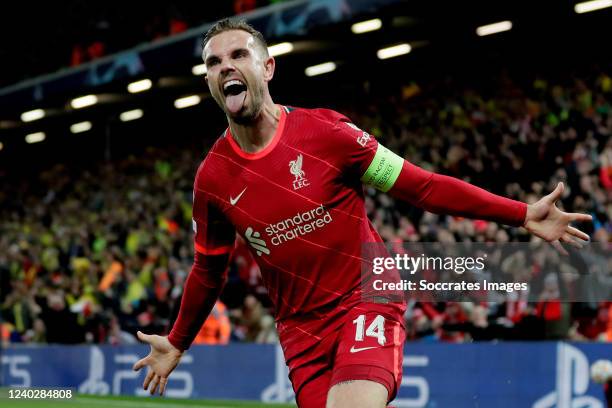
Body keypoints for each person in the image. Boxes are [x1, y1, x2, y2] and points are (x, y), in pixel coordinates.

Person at [132, 18, 592, 407]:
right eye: (214, 63)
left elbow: (423, 187)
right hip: (300, 333)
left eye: (238, 55)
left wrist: (520, 214)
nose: (225, 66)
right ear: (209, 82)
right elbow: (208, 271)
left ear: (267, 67)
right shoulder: (213, 179)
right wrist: (177, 340)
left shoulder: (329, 134)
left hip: (365, 298)